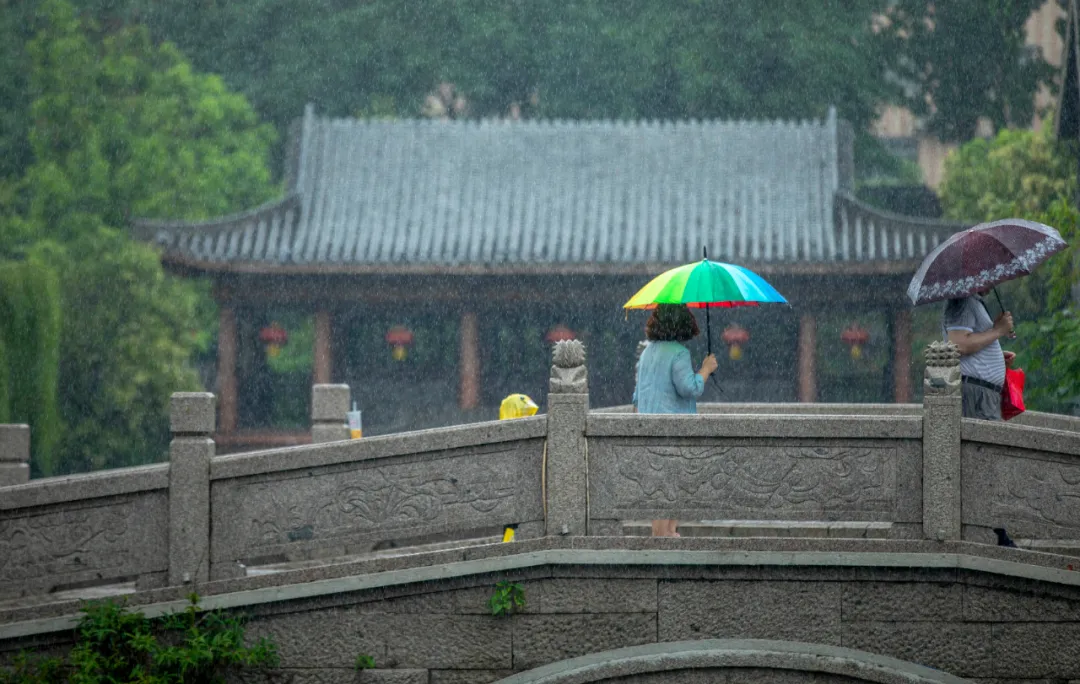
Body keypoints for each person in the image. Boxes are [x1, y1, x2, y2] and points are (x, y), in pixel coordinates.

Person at [632, 304, 718, 537]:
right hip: (672, 429)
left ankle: (664, 534)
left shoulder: (648, 351)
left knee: (659, 486)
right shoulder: (679, 352)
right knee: (672, 484)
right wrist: (706, 370)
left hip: (647, 427)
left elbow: (637, 394)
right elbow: (689, 388)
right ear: (682, 324)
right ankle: (666, 537)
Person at [942, 289, 1016, 421]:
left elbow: (971, 341)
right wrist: (998, 330)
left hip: (984, 393)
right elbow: (959, 344)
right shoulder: (963, 300)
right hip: (977, 394)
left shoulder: (973, 301)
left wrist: (996, 357)